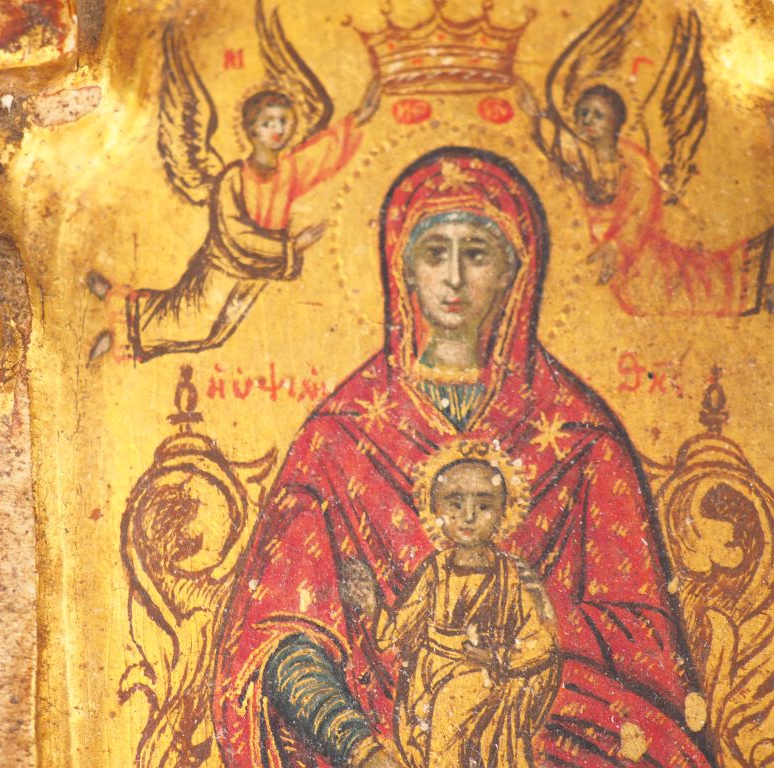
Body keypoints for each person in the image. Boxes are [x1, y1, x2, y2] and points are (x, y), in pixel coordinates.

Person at [213, 147, 714, 768]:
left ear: (514, 270)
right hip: (377, 737)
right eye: (434, 252)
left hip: (548, 720)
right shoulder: (339, 437)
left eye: (476, 253)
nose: (453, 278)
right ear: (403, 268)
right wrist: (358, 745)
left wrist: (525, 618)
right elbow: (279, 632)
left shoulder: (583, 438)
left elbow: (645, 637)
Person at [93, 77, 381, 362]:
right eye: (268, 123)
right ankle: (118, 317)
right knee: (190, 321)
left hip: (254, 274)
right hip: (223, 266)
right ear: (251, 128)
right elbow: (235, 233)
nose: (278, 129)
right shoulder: (234, 178)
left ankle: (123, 319)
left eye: (284, 121)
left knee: (212, 335)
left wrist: (359, 117)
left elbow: (323, 154)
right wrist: (291, 247)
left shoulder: (288, 172)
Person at [342, 455, 560, 768]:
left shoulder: (510, 575)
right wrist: (372, 603)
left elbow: (541, 641)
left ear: (502, 512)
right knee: (439, 710)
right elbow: (394, 631)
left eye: (483, 506)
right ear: (437, 510)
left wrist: (498, 656)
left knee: (451, 702)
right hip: (427, 679)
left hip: (484, 677)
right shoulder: (435, 570)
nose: (468, 517)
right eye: (455, 505)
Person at [518, 83, 773, 317]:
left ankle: (759, 286)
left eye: (598, 115)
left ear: (616, 121)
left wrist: (616, 246)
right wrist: (535, 116)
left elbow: (639, 213)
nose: (588, 120)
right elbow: (554, 148)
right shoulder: (581, 154)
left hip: (638, 250)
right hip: (597, 246)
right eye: (583, 113)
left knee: (682, 287)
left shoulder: (633, 162)